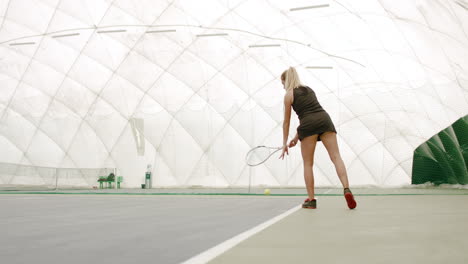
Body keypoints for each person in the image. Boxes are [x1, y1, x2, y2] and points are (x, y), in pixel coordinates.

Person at [279, 67, 356, 209]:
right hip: (324, 119)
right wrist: (296, 138)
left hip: (308, 125)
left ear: (286, 80)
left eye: (282, 83)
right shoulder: (309, 89)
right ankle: (346, 189)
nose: (283, 86)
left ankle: (311, 200)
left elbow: (287, 122)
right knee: (336, 157)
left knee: (308, 164)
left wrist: (284, 143)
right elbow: (312, 112)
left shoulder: (288, 95)